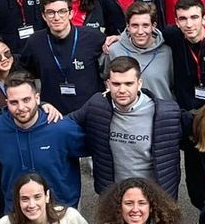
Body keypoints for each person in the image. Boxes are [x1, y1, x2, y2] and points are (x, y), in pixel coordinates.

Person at [74, 55, 183, 199]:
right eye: (116, 84)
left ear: (139, 83)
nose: (122, 90)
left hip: (152, 198)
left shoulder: (166, 112)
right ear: (108, 84)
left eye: (128, 83)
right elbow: (65, 124)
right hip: (114, 197)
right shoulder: (97, 106)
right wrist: (46, 106)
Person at [0, 73, 87, 208]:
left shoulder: (61, 129)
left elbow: (93, 149)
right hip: (17, 210)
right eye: (14, 102)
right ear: (7, 102)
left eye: (26, 100)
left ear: (37, 98)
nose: (21, 107)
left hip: (59, 208)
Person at [19, 0, 106, 114]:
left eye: (62, 11)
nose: (56, 17)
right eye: (50, 12)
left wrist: (116, 38)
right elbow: (23, 74)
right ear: (43, 16)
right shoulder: (35, 42)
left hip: (90, 112)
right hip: (53, 114)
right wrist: (39, 103)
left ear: (71, 13)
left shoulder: (93, 37)